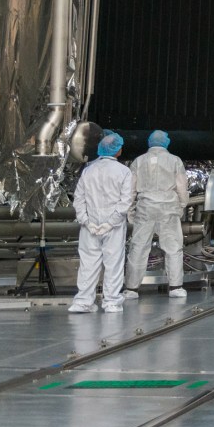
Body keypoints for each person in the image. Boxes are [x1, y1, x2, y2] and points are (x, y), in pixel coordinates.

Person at [70, 130, 133, 315]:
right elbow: (125, 202)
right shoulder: (124, 172)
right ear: (117, 150)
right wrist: (110, 223)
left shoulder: (88, 171)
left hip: (89, 226)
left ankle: (83, 301)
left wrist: (86, 221)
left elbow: (78, 199)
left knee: (88, 264)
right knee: (113, 263)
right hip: (113, 226)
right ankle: (111, 302)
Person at [124, 130, 191, 300]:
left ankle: (131, 288)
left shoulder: (138, 161)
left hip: (145, 208)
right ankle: (175, 287)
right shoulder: (175, 161)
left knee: (138, 247)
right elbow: (181, 187)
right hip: (168, 209)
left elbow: (131, 189)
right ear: (166, 142)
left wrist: (130, 210)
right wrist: (182, 205)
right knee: (173, 247)